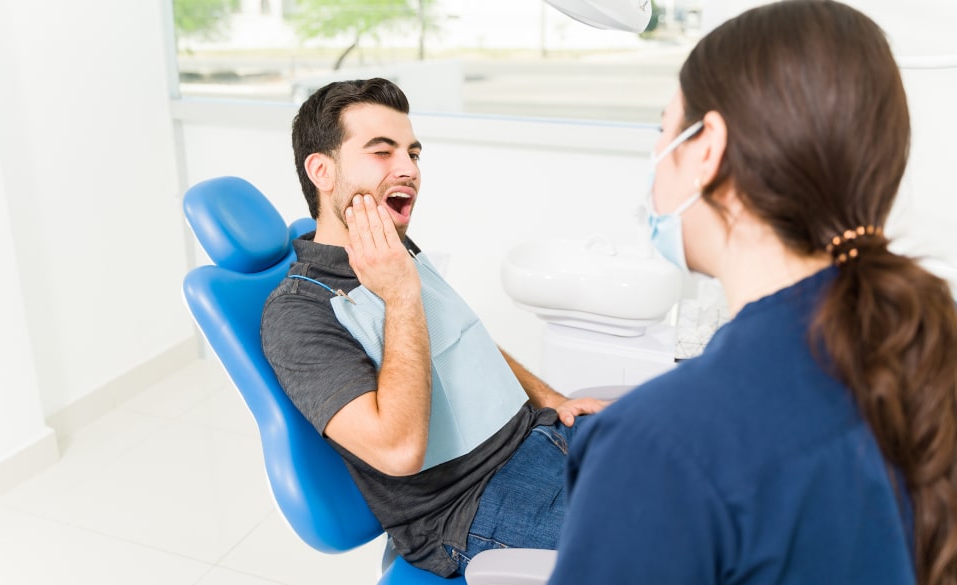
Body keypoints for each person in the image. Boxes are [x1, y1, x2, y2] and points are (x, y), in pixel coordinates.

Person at [549, 1, 957, 584]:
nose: (656, 161)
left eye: (663, 131)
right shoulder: (926, 352)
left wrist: (661, 425)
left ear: (708, 148)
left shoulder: (656, 448)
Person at [260, 77, 606, 577]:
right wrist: (399, 294)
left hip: (538, 435)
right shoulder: (298, 312)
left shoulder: (394, 247)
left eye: (413, 153)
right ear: (322, 170)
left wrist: (550, 399)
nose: (408, 170)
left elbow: (458, 335)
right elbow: (397, 450)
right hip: (472, 505)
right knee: (686, 545)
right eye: (382, 152)